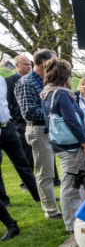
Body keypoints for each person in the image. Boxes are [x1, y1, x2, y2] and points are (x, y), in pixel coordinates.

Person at [41, 58, 85, 232]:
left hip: (60, 145)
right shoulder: (62, 94)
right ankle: (72, 224)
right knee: (70, 186)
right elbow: (72, 120)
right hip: (71, 146)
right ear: (64, 76)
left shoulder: (47, 93)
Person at [14, 48, 61, 219]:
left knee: (55, 171)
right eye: (54, 61)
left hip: (52, 128)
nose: (56, 65)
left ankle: (56, 202)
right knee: (45, 173)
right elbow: (29, 113)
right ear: (45, 63)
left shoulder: (47, 81)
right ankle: (51, 211)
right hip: (39, 130)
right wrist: (56, 110)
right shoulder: (27, 83)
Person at [0, 63, 39, 208]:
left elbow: (5, 104)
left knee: (23, 162)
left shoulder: (1, 80)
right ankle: (4, 201)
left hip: (7, 126)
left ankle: (38, 195)